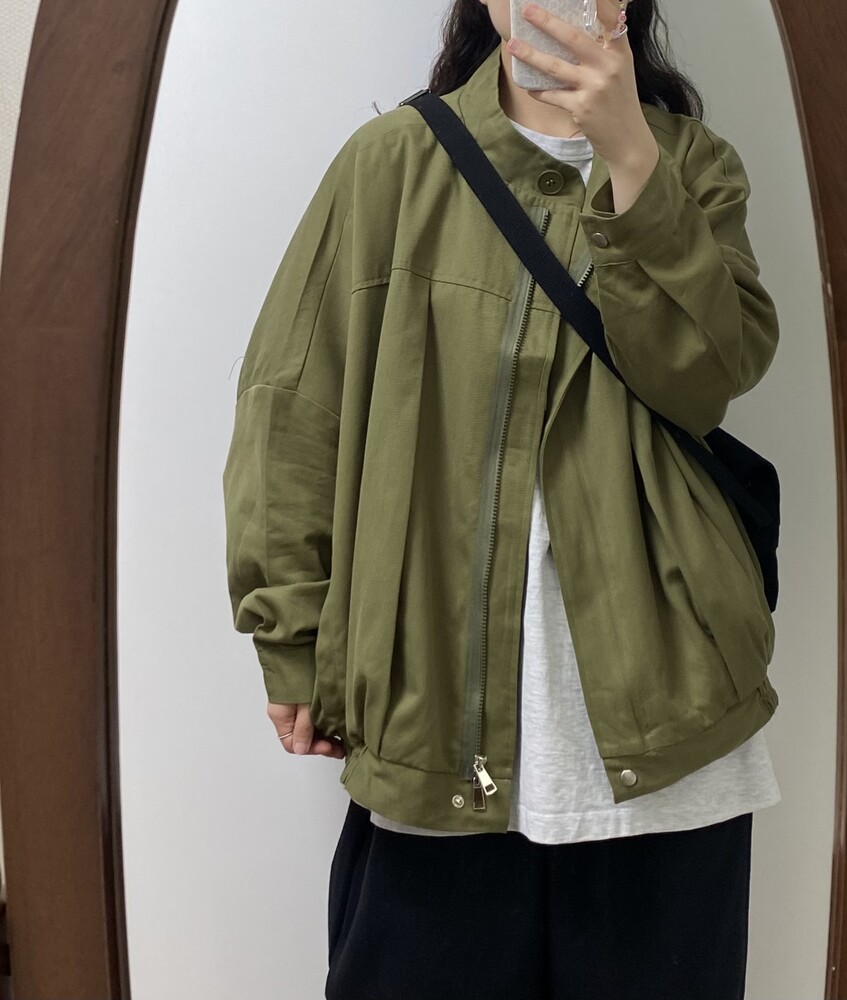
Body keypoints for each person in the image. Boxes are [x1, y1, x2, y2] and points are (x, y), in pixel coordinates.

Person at [223, 0, 782, 996]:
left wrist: (632, 160)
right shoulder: (392, 165)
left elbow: (705, 379)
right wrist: (291, 635)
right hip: (429, 717)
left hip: (671, 733)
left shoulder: (692, 165)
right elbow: (292, 407)